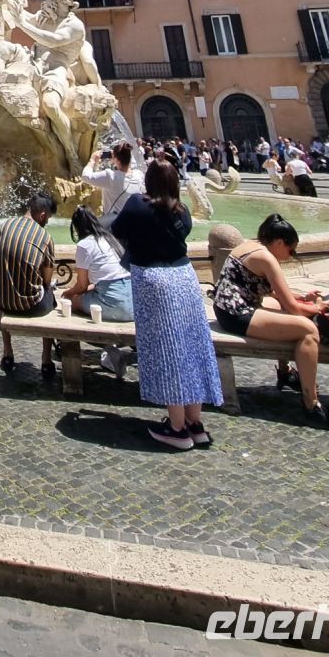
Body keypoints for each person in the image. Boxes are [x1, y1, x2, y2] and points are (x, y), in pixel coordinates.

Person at [111, 160, 222, 449]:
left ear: (149, 181)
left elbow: (118, 229)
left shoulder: (138, 204)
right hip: (185, 277)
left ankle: (176, 429)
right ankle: (195, 423)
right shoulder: (181, 211)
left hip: (154, 280)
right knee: (193, 344)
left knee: (167, 349)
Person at [214, 215, 329, 428]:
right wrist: (317, 308)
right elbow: (292, 307)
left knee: (286, 314)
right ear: (280, 242)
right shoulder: (266, 258)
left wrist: (303, 298)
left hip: (227, 307)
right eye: (291, 250)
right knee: (307, 329)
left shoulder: (251, 245)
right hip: (237, 314)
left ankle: (286, 372)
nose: (291, 256)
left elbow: (275, 293)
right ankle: (311, 404)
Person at [0, 192, 58, 379]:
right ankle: (46, 359)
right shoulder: (45, 237)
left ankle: (7, 353)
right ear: (42, 215)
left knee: (5, 284)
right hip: (32, 305)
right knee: (50, 293)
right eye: (48, 218)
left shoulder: (5, 226)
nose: (47, 222)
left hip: (3, 302)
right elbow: (46, 281)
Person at [62, 206, 132, 323]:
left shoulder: (85, 244)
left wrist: (67, 293)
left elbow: (82, 286)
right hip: (133, 305)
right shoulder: (110, 239)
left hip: (117, 307)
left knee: (72, 301)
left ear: (77, 227)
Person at [82, 142, 143, 229]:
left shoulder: (110, 177)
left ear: (117, 160)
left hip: (114, 225)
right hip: (133, 224)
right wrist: (116, 156)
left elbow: (85, 176)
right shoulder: (139, 175)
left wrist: (92, 160)